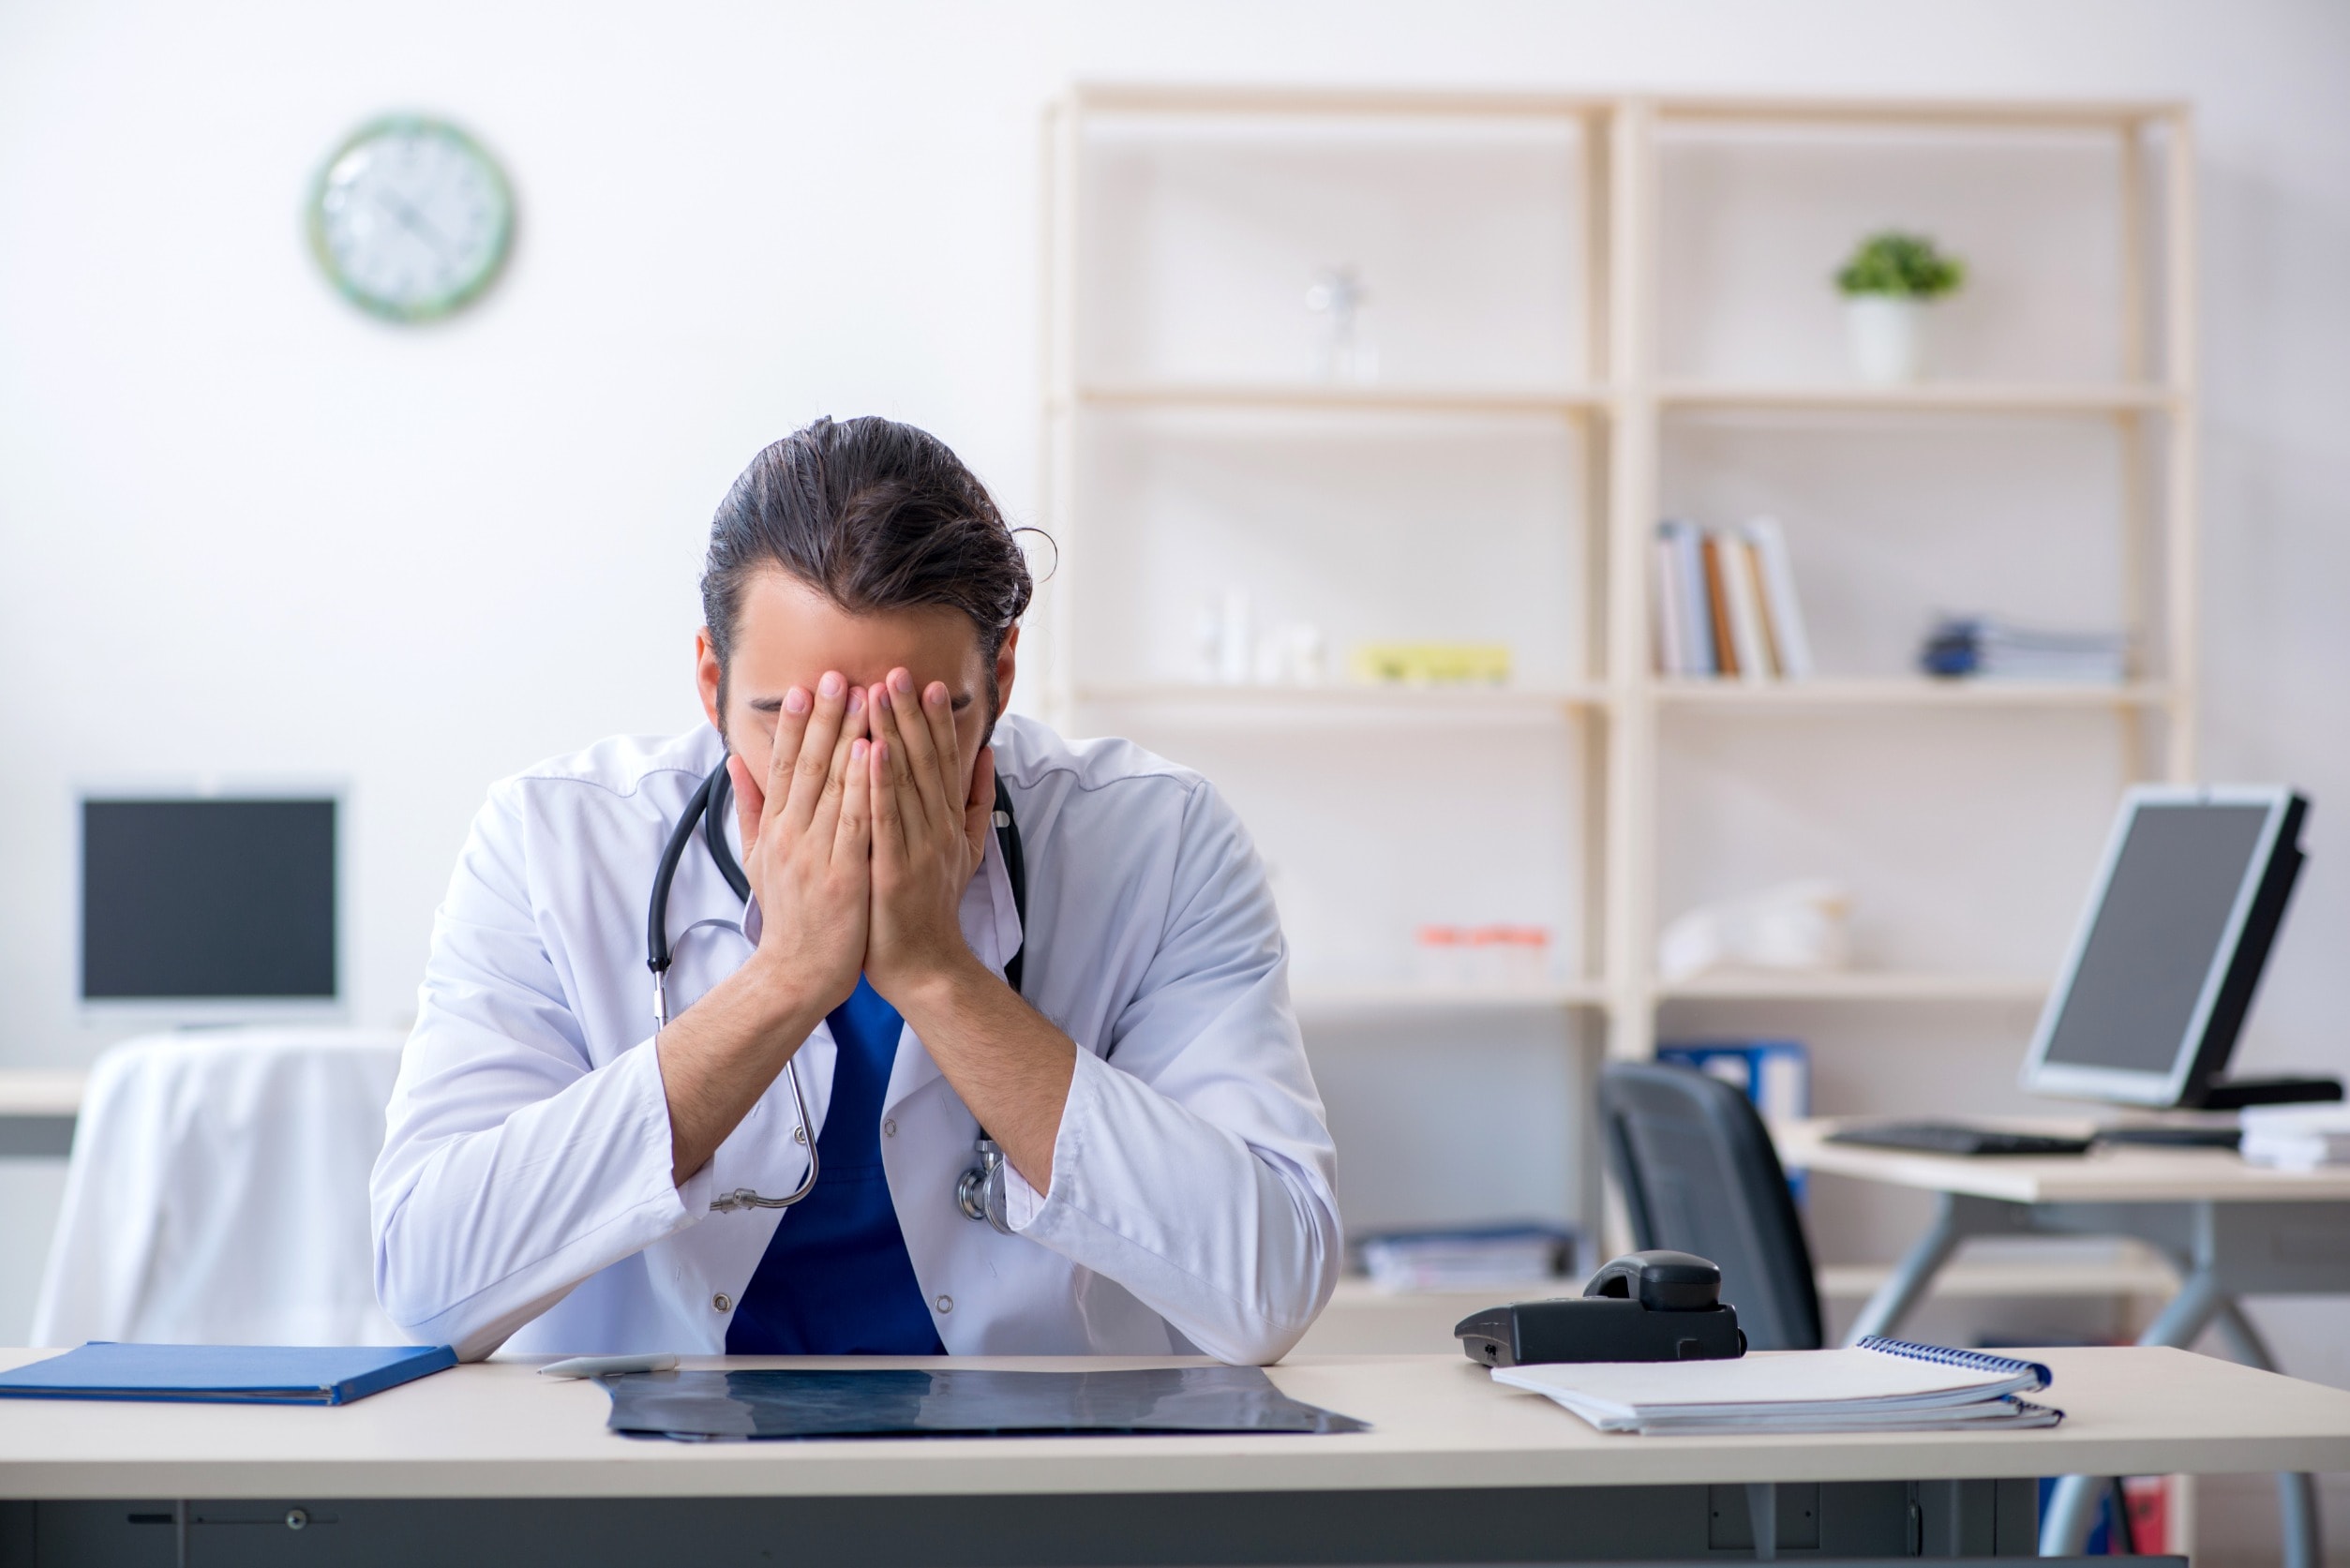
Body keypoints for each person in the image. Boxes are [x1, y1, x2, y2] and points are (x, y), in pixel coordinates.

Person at [371, 416, 1340, 1363]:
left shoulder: (1155, 840)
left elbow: (1267, 1290)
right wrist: (786, 974)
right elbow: (430, 1283)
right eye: (788, 724)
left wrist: (939, 974)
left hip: (1033, 1478)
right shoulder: (553, 841)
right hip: (644, 1489)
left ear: (999, 678)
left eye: (921, 725)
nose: (858, 777)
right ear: (709, 682)